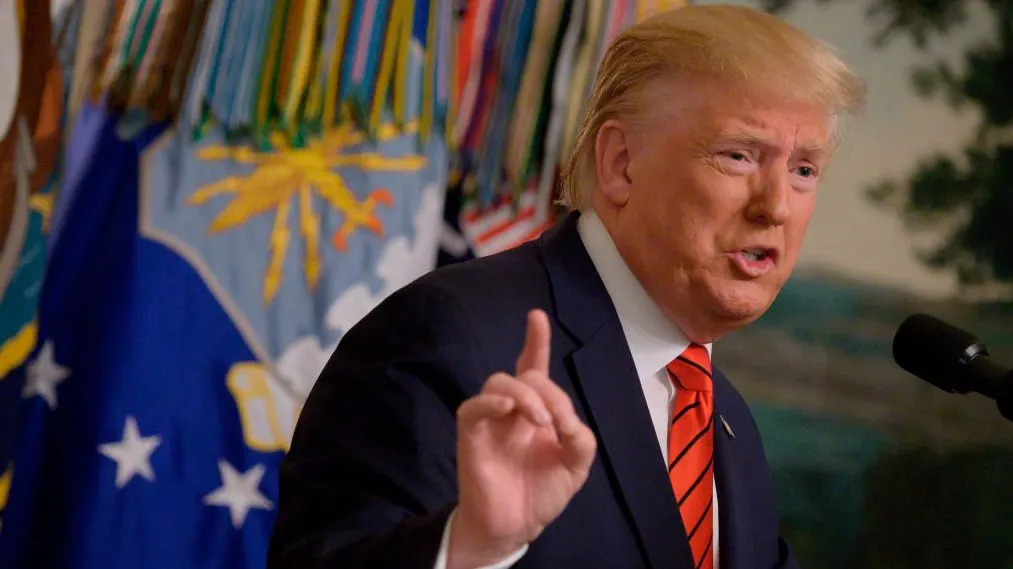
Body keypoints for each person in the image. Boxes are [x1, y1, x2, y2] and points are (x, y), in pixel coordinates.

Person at [267, 4, 866, 569]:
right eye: (738, 156)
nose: (776, 207)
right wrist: (473, 547)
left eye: (803, 169)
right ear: (621, 164)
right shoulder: (451, 335)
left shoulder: (725, 420)